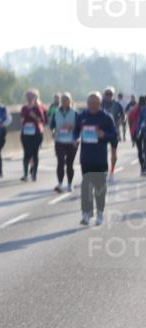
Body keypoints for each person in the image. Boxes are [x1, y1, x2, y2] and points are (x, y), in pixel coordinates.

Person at [75, 92, 119, 226]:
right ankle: (86, 214)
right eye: (90, 103)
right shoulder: (82, 116)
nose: (92, 106)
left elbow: (114, 137)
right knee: (86, 186)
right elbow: (76, 131)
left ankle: (99, 212)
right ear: (87, 104)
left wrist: (104, 135)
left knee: (99, 188)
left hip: (100, 159)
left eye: (95, 103)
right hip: (86, 157)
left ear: (100, 104)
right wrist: (75, 138)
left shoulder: (106, 117)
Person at [50, 92, 79, 193]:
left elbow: (79, 127)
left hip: (72, 142)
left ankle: (70, 184)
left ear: (70, 101)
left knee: (70, 164)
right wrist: (53, 131)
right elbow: (52, 125)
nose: (64, 102)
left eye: (66, 100)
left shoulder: (75, 113)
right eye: (62, 100)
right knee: (60, 162)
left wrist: (73, 129)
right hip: (60, 141)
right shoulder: (56, 112)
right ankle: (60, 184)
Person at [18, 89, 47, 182]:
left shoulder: (39, 108)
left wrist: (33, 115)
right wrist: (24, 120)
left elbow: (42, 121)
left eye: (31, 97)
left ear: (36, 97)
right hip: (26, 133)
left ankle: (34, 174)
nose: (29, 99)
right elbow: (22, 119)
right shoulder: (24, 108)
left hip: (36, 134)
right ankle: (25, 174)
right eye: (28, 97)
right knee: (26, 153)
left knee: (35, 154)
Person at [101, 87, 125, 182]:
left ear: (113, 95)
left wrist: (120, 122)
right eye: (106, 94)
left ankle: (112, 171)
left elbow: (123, 116)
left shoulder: (117, 105)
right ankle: (104, 171)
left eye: (110, 94)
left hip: (114, 131)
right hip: (103, 131)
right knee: (102, 153)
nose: (108, 96)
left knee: (113, 154)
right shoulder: (100, 104)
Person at [131, 95, 146, 176]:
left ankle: (143, 167)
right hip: (139, 132)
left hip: (137, 132)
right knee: (143, 151)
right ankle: (144, 167)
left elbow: (130, 120)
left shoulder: (135, 109)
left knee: (141, 151)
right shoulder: (139, 110)